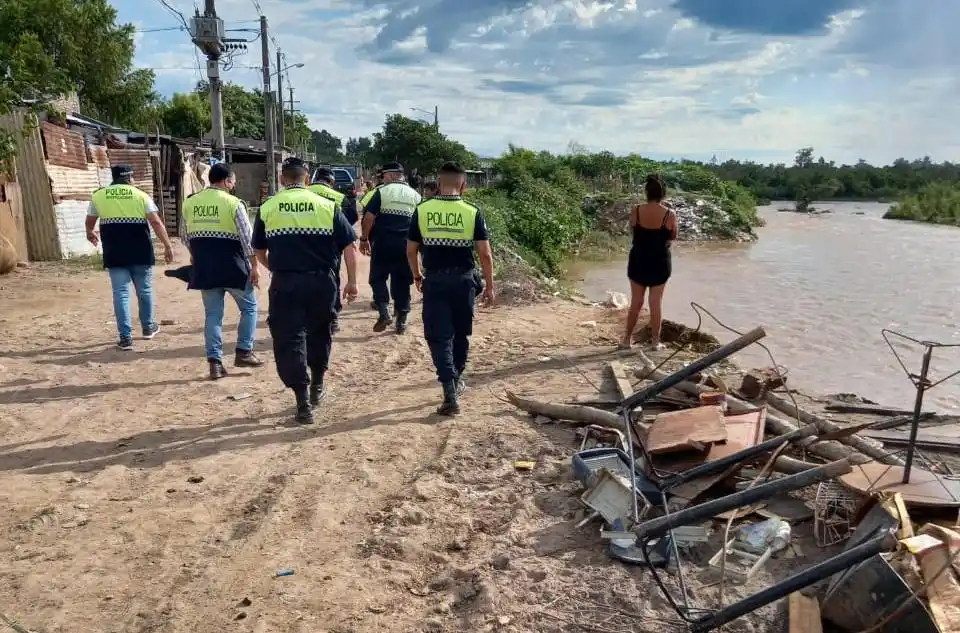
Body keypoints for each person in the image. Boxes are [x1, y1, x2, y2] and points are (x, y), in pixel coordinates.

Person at [252, 157, 359, 423]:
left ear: (282, 178)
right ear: (306, 178)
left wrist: (275, 267)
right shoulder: (327, 206)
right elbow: (349, 247)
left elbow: (259, 251)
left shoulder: (268, 207)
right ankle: (317, 385)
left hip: (285, 283)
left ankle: (302, 402)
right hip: (322, 282)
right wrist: (352, 281)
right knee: (320, 333)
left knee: (289, 339)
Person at [407, 161, 495, 415]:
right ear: (463, 184)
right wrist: (490, 286)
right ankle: (455, 381)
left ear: (438, 183)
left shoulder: (423, 210)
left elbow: (411, 250)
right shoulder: (472, 211)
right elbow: (485, 254)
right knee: (460, 334)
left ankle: (449, 390)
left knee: (438, 336)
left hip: (435, 281)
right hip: (464, 282)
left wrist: (417, 275)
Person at [182, 162, 264, 379]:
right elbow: (248, 240)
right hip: (233, 267)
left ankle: (215, 363)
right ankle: (244, 351)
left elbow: (184, 235)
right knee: (249, 308)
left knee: (213, 315)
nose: (234, 185)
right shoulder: (234, 203)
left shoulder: (190, 202)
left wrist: (195, 253)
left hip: (204, 267)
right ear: (227, 181)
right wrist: (254, 267)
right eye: (233, 181)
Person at [86, 164, 175, 350]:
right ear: (129, 178)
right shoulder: (141, 195)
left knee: (121, 294)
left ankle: (125, 337)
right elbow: (156, 222)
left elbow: (90, 221)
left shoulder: (98, 195)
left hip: (115, 252)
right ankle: (148, 327)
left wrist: (90, 232)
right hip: (140, 251)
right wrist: (167, 245)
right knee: (144, 291)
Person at [360, 161, 421, 333]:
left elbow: (369, 218)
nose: (383, 178)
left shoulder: (381, 191)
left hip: (383, 243)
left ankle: (384, 311)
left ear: (392, 175)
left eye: (384, 175)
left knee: (378, 278)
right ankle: (401, 321)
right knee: (402, 281)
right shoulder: (416, 196)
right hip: (406, 247)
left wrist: (364, 239)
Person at [621, 174, 677, 351]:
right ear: (663, 194)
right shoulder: (669, 214)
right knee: (655, 303)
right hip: (660, 262)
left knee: (636, 302)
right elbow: (673, 236)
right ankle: (655, 342)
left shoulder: (636, 210)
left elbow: (632, 229)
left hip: (638, 260)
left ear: (646, 192)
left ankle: (626, 341)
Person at [309, 168, 349, 333]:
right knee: (332, 279)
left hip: (305, 241)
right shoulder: (338, 197)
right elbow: (350, 218)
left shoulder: (305, 192)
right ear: (331, 182)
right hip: (331, 245)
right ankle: (332, 318)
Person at [359, 170, 384, 311]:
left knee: (378, 269)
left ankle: (379, 301)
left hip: (377, 235)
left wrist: (365, 237)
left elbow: (366, 214)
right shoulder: (406, 191)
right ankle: (400, 308)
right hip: (402, 237)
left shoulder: (374, 192)